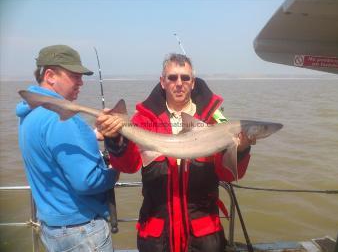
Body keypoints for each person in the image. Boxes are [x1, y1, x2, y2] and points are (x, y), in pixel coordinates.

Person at [97, 53, 255, 252]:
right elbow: (129, 166)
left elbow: (229, 175)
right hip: (157, 235)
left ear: (193, 82)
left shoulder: (214, 120)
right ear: (162, 82)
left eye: (185, 77)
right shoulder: (144, 120)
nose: (179, 83)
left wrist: (240, 150)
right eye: (172, 77)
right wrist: (115, 138)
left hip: (203, 236)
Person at [16, 45, 116, 252]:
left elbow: (50, 148)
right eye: (74, 76)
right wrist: (115, 170)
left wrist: (90, 135)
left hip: (52, 227)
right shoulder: (62, 118)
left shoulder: (30, 114)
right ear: (50, 76)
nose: (81, 82)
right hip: (82, 231)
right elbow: (87, 183)